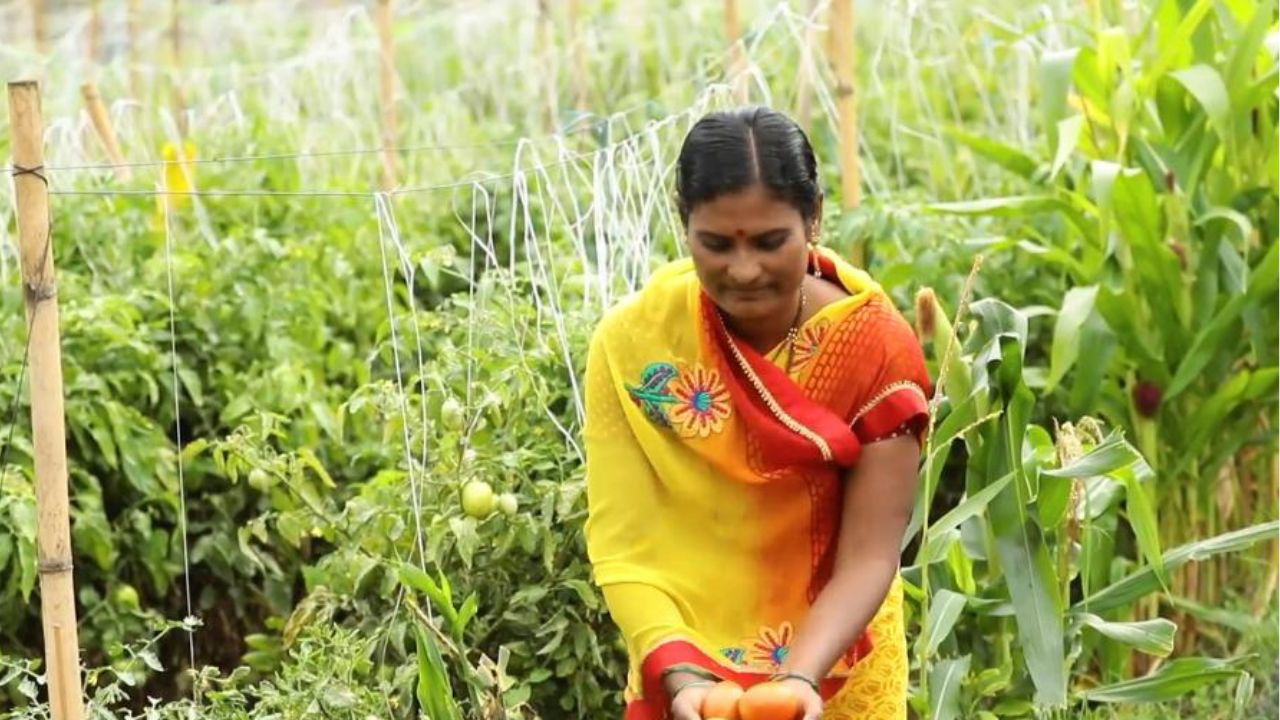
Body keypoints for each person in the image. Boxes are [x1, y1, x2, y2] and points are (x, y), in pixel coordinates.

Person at [583, 106, 930, 720]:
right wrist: (683, 676)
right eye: (715, 244)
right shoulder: (634, 345)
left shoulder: (873, 347)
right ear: (682, 221)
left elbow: (871, 554)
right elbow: (622, 544)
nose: (743, 271)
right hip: (690, 667)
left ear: (813, 217)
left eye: (771, 242)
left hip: (837, 660)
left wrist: (797, 681)